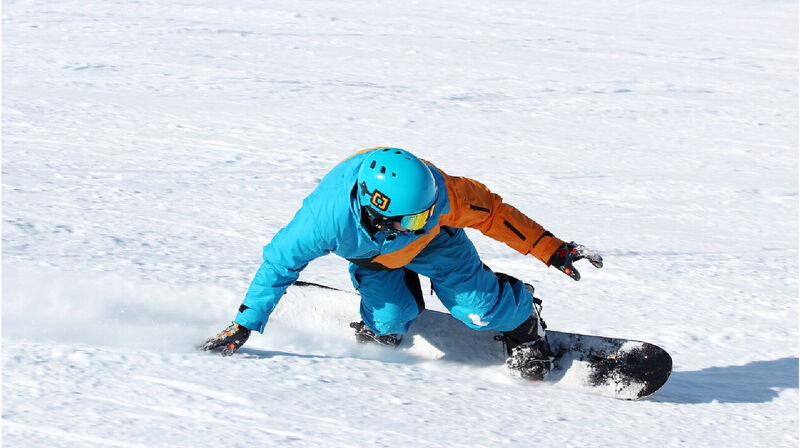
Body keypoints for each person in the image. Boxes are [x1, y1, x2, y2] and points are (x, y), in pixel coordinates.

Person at [202, 147, 603, 380]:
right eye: (414, 217)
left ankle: (523, 318)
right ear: (374, 209)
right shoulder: (322, 221)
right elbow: (278, 266)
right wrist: (243, 324)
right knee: (388, 324)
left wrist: (551, 248)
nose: (425, 217)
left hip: (436, 245)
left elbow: (494, 214)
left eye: (428, 209)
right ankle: (402, 299)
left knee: (479, 311)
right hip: (374, 258)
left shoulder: (436, 200)